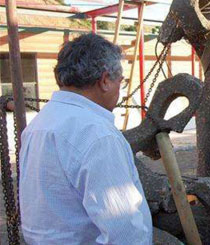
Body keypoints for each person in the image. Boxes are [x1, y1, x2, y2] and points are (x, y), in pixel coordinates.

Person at [19, 33, 153, 244]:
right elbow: (125, 233)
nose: (121, 89)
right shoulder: (97, 135)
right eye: (121, 81)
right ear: (105, 80)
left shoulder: (39, 124)